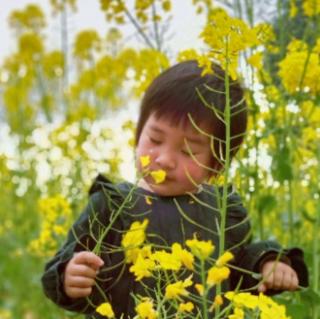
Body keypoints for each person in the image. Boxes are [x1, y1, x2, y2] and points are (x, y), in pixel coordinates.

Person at [41, 60, 308, 318]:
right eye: (155, 139)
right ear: (138, 135)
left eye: (188, 150)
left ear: (216, 165)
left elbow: (240, 269)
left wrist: (269, 263)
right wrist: (68, 277)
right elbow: (68, 263)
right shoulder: (111, 204)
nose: (165, 159)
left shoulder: (224, 212)